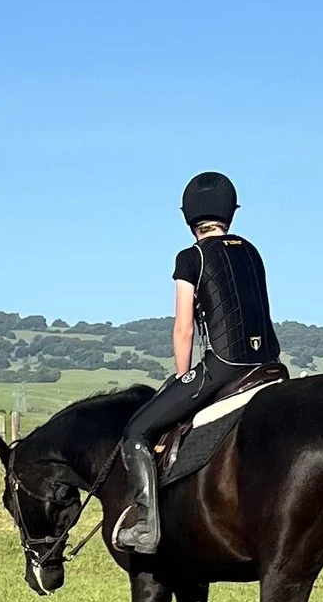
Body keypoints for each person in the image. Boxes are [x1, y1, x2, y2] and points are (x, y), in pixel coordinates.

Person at [112, 172, 283, 557]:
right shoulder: (252, 252)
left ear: (189, 217)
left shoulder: (191, 257)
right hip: (269, 366)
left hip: (224, 366)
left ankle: (146, 526)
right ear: (230, 213)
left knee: (137, 429)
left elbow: (184, 328)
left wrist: (181, 374)